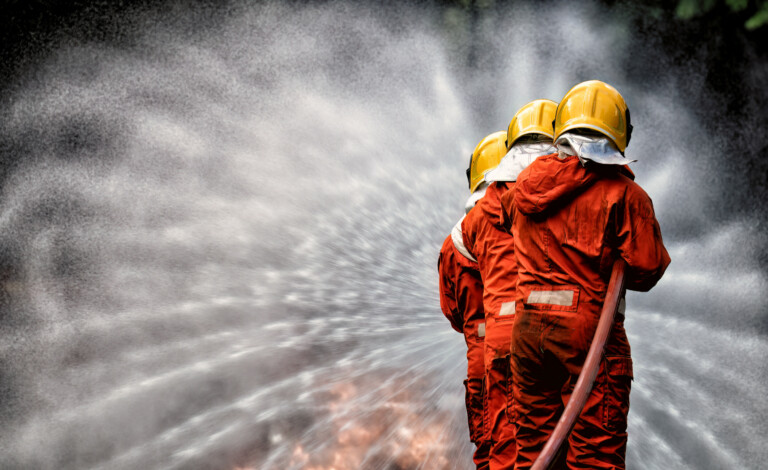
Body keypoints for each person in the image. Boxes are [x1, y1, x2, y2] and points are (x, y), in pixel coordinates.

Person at [501, 80, 671, 469]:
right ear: (620, 132)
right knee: (595, 457)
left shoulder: (520, 190)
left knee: (532, 449)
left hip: (526, 336)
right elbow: (647, 268)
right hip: (589, 335)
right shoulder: (626, 196)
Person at [461, 99, 557, 470]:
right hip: (545, 334)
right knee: (558, 443)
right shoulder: (551, 199)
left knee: (501, 448)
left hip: (491, 351)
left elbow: (455, 310)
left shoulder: (468, 228)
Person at [438, 132, 506, 469]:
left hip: (480, 361)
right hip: (520, 350)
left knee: (490, 455)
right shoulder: (523, 225)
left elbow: (453, 313)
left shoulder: (453, 243)